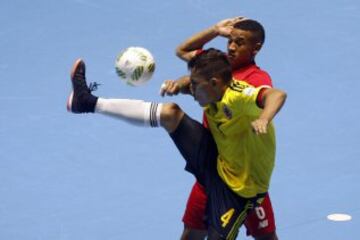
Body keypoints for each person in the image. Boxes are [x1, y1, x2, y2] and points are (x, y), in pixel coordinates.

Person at [66, 48, 286, 239]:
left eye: (195, 85)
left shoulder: (239, 96)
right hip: (216, 162)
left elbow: (277, 95)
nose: (191, 90)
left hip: (239, 192)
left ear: (214, 83)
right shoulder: (211, 90)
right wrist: (176, 86)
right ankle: (87, 102)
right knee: (170, 113)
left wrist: (264, 119)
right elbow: (186, 74)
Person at [160, 18, 279, 240]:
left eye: (239, 42)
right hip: (213, 167)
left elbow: (272, 97)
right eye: (230, 41)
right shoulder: (218, 65)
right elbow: (183, 51)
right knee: (191, 233)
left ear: (256, 48)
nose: (232, 47)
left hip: (242, 176)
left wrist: (264, 118)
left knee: (267, 236)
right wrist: (215, 30)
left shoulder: (257, 79)